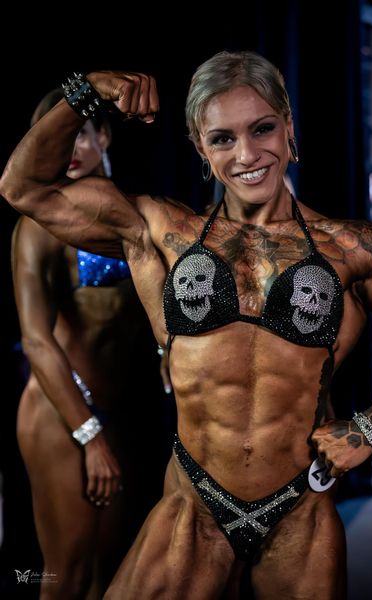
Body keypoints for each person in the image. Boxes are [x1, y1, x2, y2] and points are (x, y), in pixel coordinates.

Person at [1, 51, 372, 600]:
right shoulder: (161, 232)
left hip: (300, 511)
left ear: (288, 127)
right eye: (222, 139)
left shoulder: (353, 248)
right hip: (194, 507)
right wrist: (87, 90)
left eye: (262, 129)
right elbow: (23, 188)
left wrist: (369, 427)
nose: (247, 155)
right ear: (199, 146)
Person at [9, 89, 170, 599]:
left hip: (121, 411)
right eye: (55, 138)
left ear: (103, 134)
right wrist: (90, 437)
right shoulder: (38, 226)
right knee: (65, 575)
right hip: (61, 412)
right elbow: (36, 341)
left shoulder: (138, 213)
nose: (68, 149)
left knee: (113, 569)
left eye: (79, 133)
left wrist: (167, 354)